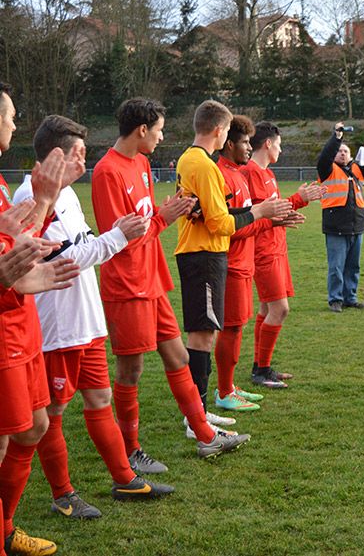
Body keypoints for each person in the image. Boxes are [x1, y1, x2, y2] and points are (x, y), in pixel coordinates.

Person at [14, 116, 174, 520]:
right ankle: (63, 495)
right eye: (78, 152)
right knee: (53, 412)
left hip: (85, 319)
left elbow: (82, 243)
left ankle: (125, 479)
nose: (84, 160)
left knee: (100, 398)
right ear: (56, 155)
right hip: (58, 325)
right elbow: (67, 260)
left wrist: (113, 234)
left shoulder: (66, 194)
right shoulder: (31, 197)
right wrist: (119, 236)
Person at [91, 98, 249, 473]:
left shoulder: (142, 164)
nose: (162, 137)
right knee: (130, 371)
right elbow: (119, 240)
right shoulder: (106, 172)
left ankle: (205, 436)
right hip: (127, 286)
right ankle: (131, 450)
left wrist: (174, 209)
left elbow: (146, 219)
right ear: (142, 130)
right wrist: (163, 218)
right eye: (159, 130)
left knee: (179, 357)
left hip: (153, 278)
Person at [0, 82, 83, 556]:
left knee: (34, 426)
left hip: (22, 321)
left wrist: (47, 205)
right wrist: (46, 201)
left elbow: (13, 242)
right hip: (5, 330)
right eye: (10, 115)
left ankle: (6, 527)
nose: (14, 124)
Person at [214, 115, 302, 413]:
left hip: (262, 252)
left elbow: (258, 214)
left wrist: (281, 215)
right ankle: (239, 381)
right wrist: (275, 217)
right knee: (243, 322)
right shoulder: (240, 173)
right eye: (243, 142)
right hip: (250, 255)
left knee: (249, 320)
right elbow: (236, 222)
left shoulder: (250, 173)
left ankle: (236, 382)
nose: (248, 148)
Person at [240, 122, 325, 389]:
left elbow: (273, 211)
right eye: (279, 144)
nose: (281, 149)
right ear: (268, 144)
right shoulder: (250, 173)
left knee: (267, 309)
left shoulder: (267, 173)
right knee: (280, 309)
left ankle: (260, 367)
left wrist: (295, 206)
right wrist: (299, 199)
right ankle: (261, 370)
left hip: (277, 248)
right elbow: (254, 216)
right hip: (263, 251)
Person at [316, 129, 364, 312]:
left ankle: (350, 298)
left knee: (353, 266)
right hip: (336, 225)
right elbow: (325, 156)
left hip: (357, 225)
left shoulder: (356, 169)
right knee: (336, 267)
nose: (342, 153)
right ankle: (335, 299)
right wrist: (337, 139)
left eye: (346, 151)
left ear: (351, 155)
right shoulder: (327, 169)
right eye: (339, 151)